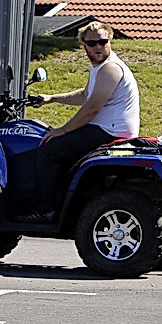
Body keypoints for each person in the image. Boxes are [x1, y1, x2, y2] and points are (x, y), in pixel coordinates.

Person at [24, 21, 140, 221]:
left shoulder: (110, 68)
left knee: (49, 150)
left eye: (103, 42)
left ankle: (46, 210)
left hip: (110, 131)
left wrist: (63, 130)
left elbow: (92, 109)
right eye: (92, 43)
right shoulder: (99, 68)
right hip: (107, 129)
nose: (98, 47)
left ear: (110, 41)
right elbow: (86, 95)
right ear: (84, 45)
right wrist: (52, 98)